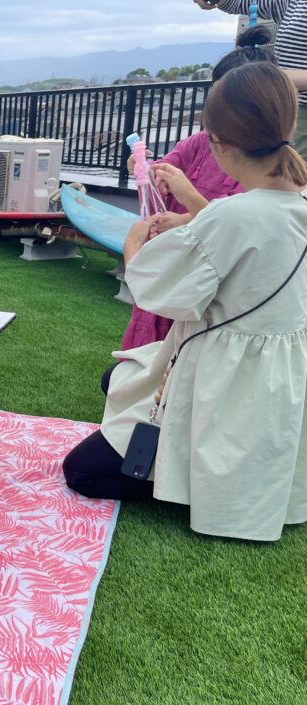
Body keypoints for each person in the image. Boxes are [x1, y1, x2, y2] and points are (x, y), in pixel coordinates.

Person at [62, 62, 307, 541]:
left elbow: (161, 291)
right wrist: (194, 221)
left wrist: (134, 246)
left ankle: (183, 481)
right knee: (117, 378)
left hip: (220, 372)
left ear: (219, 142)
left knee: (83, 471)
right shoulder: (293, 204)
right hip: (281, 376)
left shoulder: (231, 216)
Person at [119, 26, 275, 350]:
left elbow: (235, 226)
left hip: (205, 280)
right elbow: (165, 170)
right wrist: (146, 167)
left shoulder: (260, 172)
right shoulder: (200, 142)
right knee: (154, 339)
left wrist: (183, 211)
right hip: (176, 261)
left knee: (182, 341)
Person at [193, 0, 307, 155]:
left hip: (298, 113)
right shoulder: (294, 3)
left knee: (286, 167)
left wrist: (273, 77)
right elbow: (243, 3)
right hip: (279, 108)